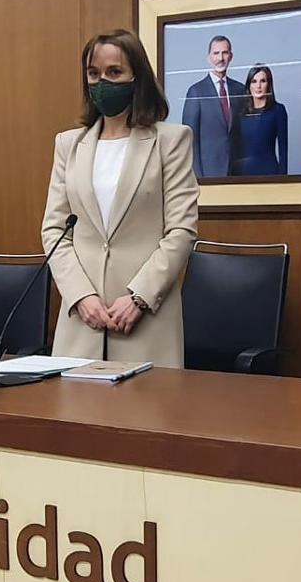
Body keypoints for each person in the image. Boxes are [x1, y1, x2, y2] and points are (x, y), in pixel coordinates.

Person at [41, 29, 199, 368]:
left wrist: (139, 297)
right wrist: (80, 296)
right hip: (83, 320)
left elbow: (181, 231)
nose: (102, 83)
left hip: (145, 317)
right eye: (93, 74)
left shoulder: (171, 141)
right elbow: (55, 231)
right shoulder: (68, 145)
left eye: (114, 72)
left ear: (136, 77)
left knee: (147, 401)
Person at [181, 35, 247, 178]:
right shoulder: (196, 91)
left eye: (224, 53)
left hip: (237, 173)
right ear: (209, 58)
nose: (220, 58)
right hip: (208, 174)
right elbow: (189, 139)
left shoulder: (240, 90)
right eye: (216, 53)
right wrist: (198, 177)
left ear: (231, 56)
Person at [231, 64, 289, 176]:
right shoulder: (241, 112)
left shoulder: (278, 110)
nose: (258, 86)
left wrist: (283, 179)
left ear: (269, 84)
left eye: (263, 81)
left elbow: (283, 150)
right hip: (243, 174)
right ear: (249, 85)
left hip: (269, 173)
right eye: (254, 81)